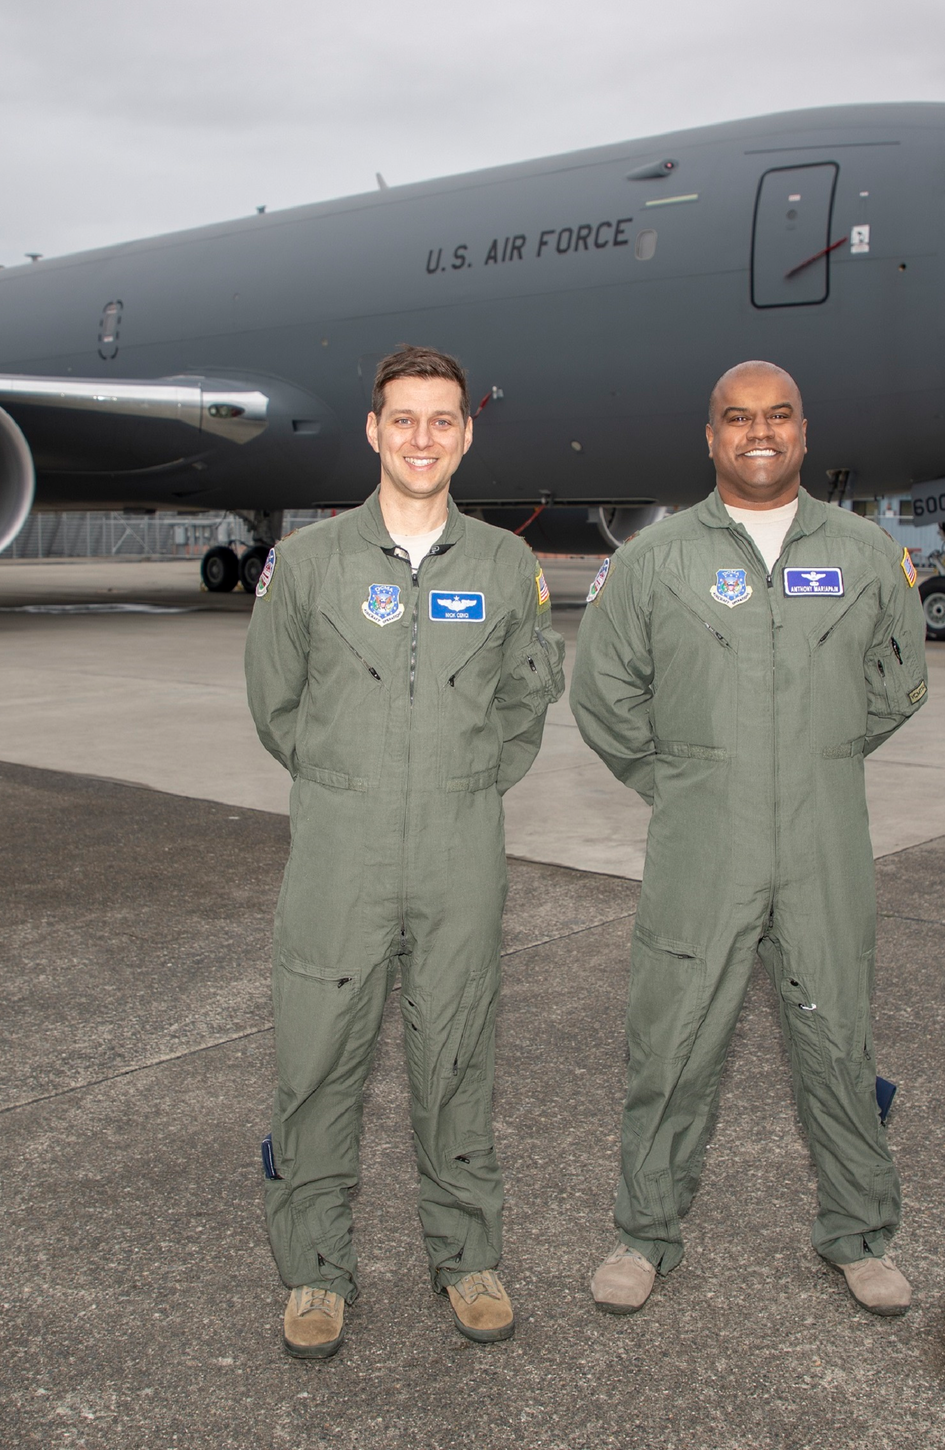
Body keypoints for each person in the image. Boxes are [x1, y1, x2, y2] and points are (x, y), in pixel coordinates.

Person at [569, 360, 928, 1318]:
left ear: (804, 434)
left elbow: (899, 682)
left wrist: (822, 757)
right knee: (672, 1043)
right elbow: (602, 696)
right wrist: (683, 786)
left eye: (776, 417)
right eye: (737, 418)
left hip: (823, 844)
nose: (757, 433)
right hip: (702, 849)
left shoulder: (862, 553)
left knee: (839, 1040)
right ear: (712, 437)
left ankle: (859, 1234)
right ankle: (644, 1235)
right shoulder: (655, 560)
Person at [245, 344, 564, 1358]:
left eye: (442, 420)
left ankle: (467, 1257)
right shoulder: (307, 564)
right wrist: (355, 782)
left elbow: (525, 703)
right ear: (375, 432)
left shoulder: (508, 567)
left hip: (461, 849)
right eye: (403, 419)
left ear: (466, 435)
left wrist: (460, 782)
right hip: (341, 848)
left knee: (459, 1051)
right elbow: (276, 705)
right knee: (319, 1057)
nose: (422, 438)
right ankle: (313, 1275)